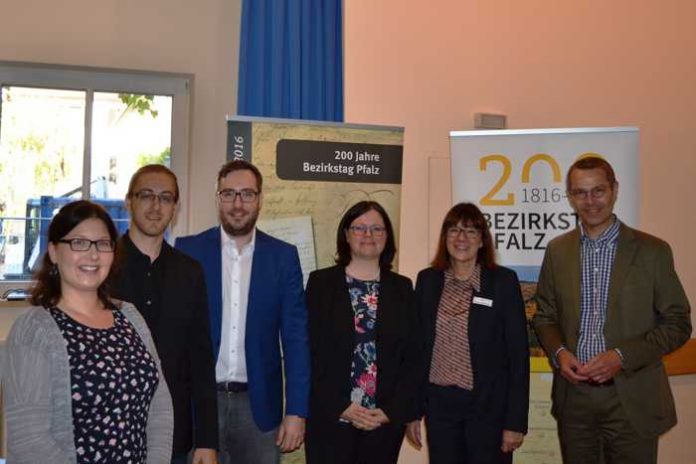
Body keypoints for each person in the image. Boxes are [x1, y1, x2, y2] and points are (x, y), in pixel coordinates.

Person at [533, 156, 692, 464]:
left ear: (615, 190)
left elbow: (677, 324)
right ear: (569, 196)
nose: (590, 201)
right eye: (580, 192)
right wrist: (560, 353)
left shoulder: (653, 251)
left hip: (631, 399)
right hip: (574, 399)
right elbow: (545, 315)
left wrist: (621, 356)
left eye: (598, 191)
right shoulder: (557, 251)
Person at [2, 200, 173, 464]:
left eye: (102, 244)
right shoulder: (33, 330)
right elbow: (29, 440)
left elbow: (159, 404)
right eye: (79, 242)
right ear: (54, 252)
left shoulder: (130, 316)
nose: (93, 255)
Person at [175, 160, 309, 464]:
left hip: (259, 409)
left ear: (260, 199)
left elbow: (296, 339)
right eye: (229, 194)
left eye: (247, 194)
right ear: (218, 197)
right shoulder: (188, 251)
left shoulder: (283, 257)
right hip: (200, 404)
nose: (238, 204)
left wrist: (297, 411)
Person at [110, 165, 218, 464]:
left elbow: (201, 359)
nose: (156, 206)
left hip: (173, 434)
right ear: (128, 201)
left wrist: (207, 441)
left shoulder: (190, 272)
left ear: (175, 207)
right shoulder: (101, 267)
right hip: (110, 430)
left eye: (166, 198)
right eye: (146, 195)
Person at [407, 202, 529, 463]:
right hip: (440, 409)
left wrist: (515, 422)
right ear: (445, 237)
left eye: (471, 231)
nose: (461, 238)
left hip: (488, 409)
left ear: (482, 240)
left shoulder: (503, 283)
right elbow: (417, 351)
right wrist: (413, 412)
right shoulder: (428, 281)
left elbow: (518, 357)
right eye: (454, 230)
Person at [304, 200, 422, 464]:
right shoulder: (320, 284)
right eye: (359, 228)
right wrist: (341, 407)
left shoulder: (403, 289)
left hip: (382, 423)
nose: (368, 235)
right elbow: (307, 353)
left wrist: (392, 411)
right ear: (346, 235)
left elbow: (413, 357)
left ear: (387, 237)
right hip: (331, 420)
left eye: (377, 229)